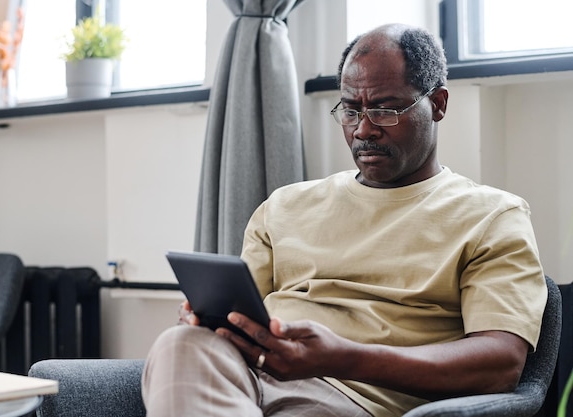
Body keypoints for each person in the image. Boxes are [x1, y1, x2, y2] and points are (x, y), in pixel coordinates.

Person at [141, 23, 546, 417]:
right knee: (181, 344)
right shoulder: (284, 206)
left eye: (385, 110)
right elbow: (243, 318)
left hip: (353, 397)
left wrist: (345, 360)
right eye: (351, 111)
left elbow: (500, 363)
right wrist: (211, 320)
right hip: (244, 374)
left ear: (437, 103)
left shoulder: (493, 216)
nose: (364, 130)